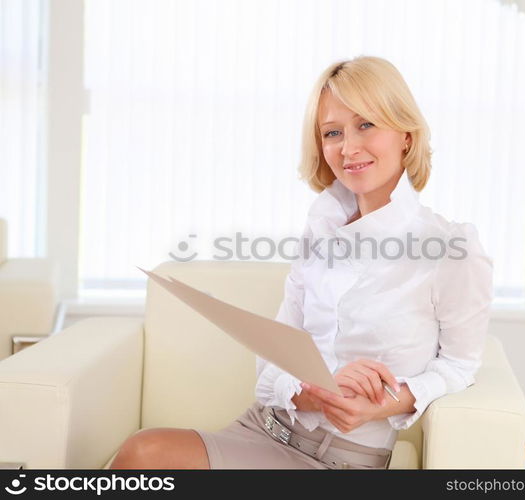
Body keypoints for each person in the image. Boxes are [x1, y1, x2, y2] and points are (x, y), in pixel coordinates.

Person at [110, 55, 493, 470]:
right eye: (332, 132)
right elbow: (269, 367)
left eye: (366, 124)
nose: (348, 148)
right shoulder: (320, 230)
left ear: (405, 134)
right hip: (261, 428)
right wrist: (315, 390)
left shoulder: (451, 247)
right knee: (143, 451)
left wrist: (384, 402)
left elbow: (459, 365)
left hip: (342, 459)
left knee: (146, 456)